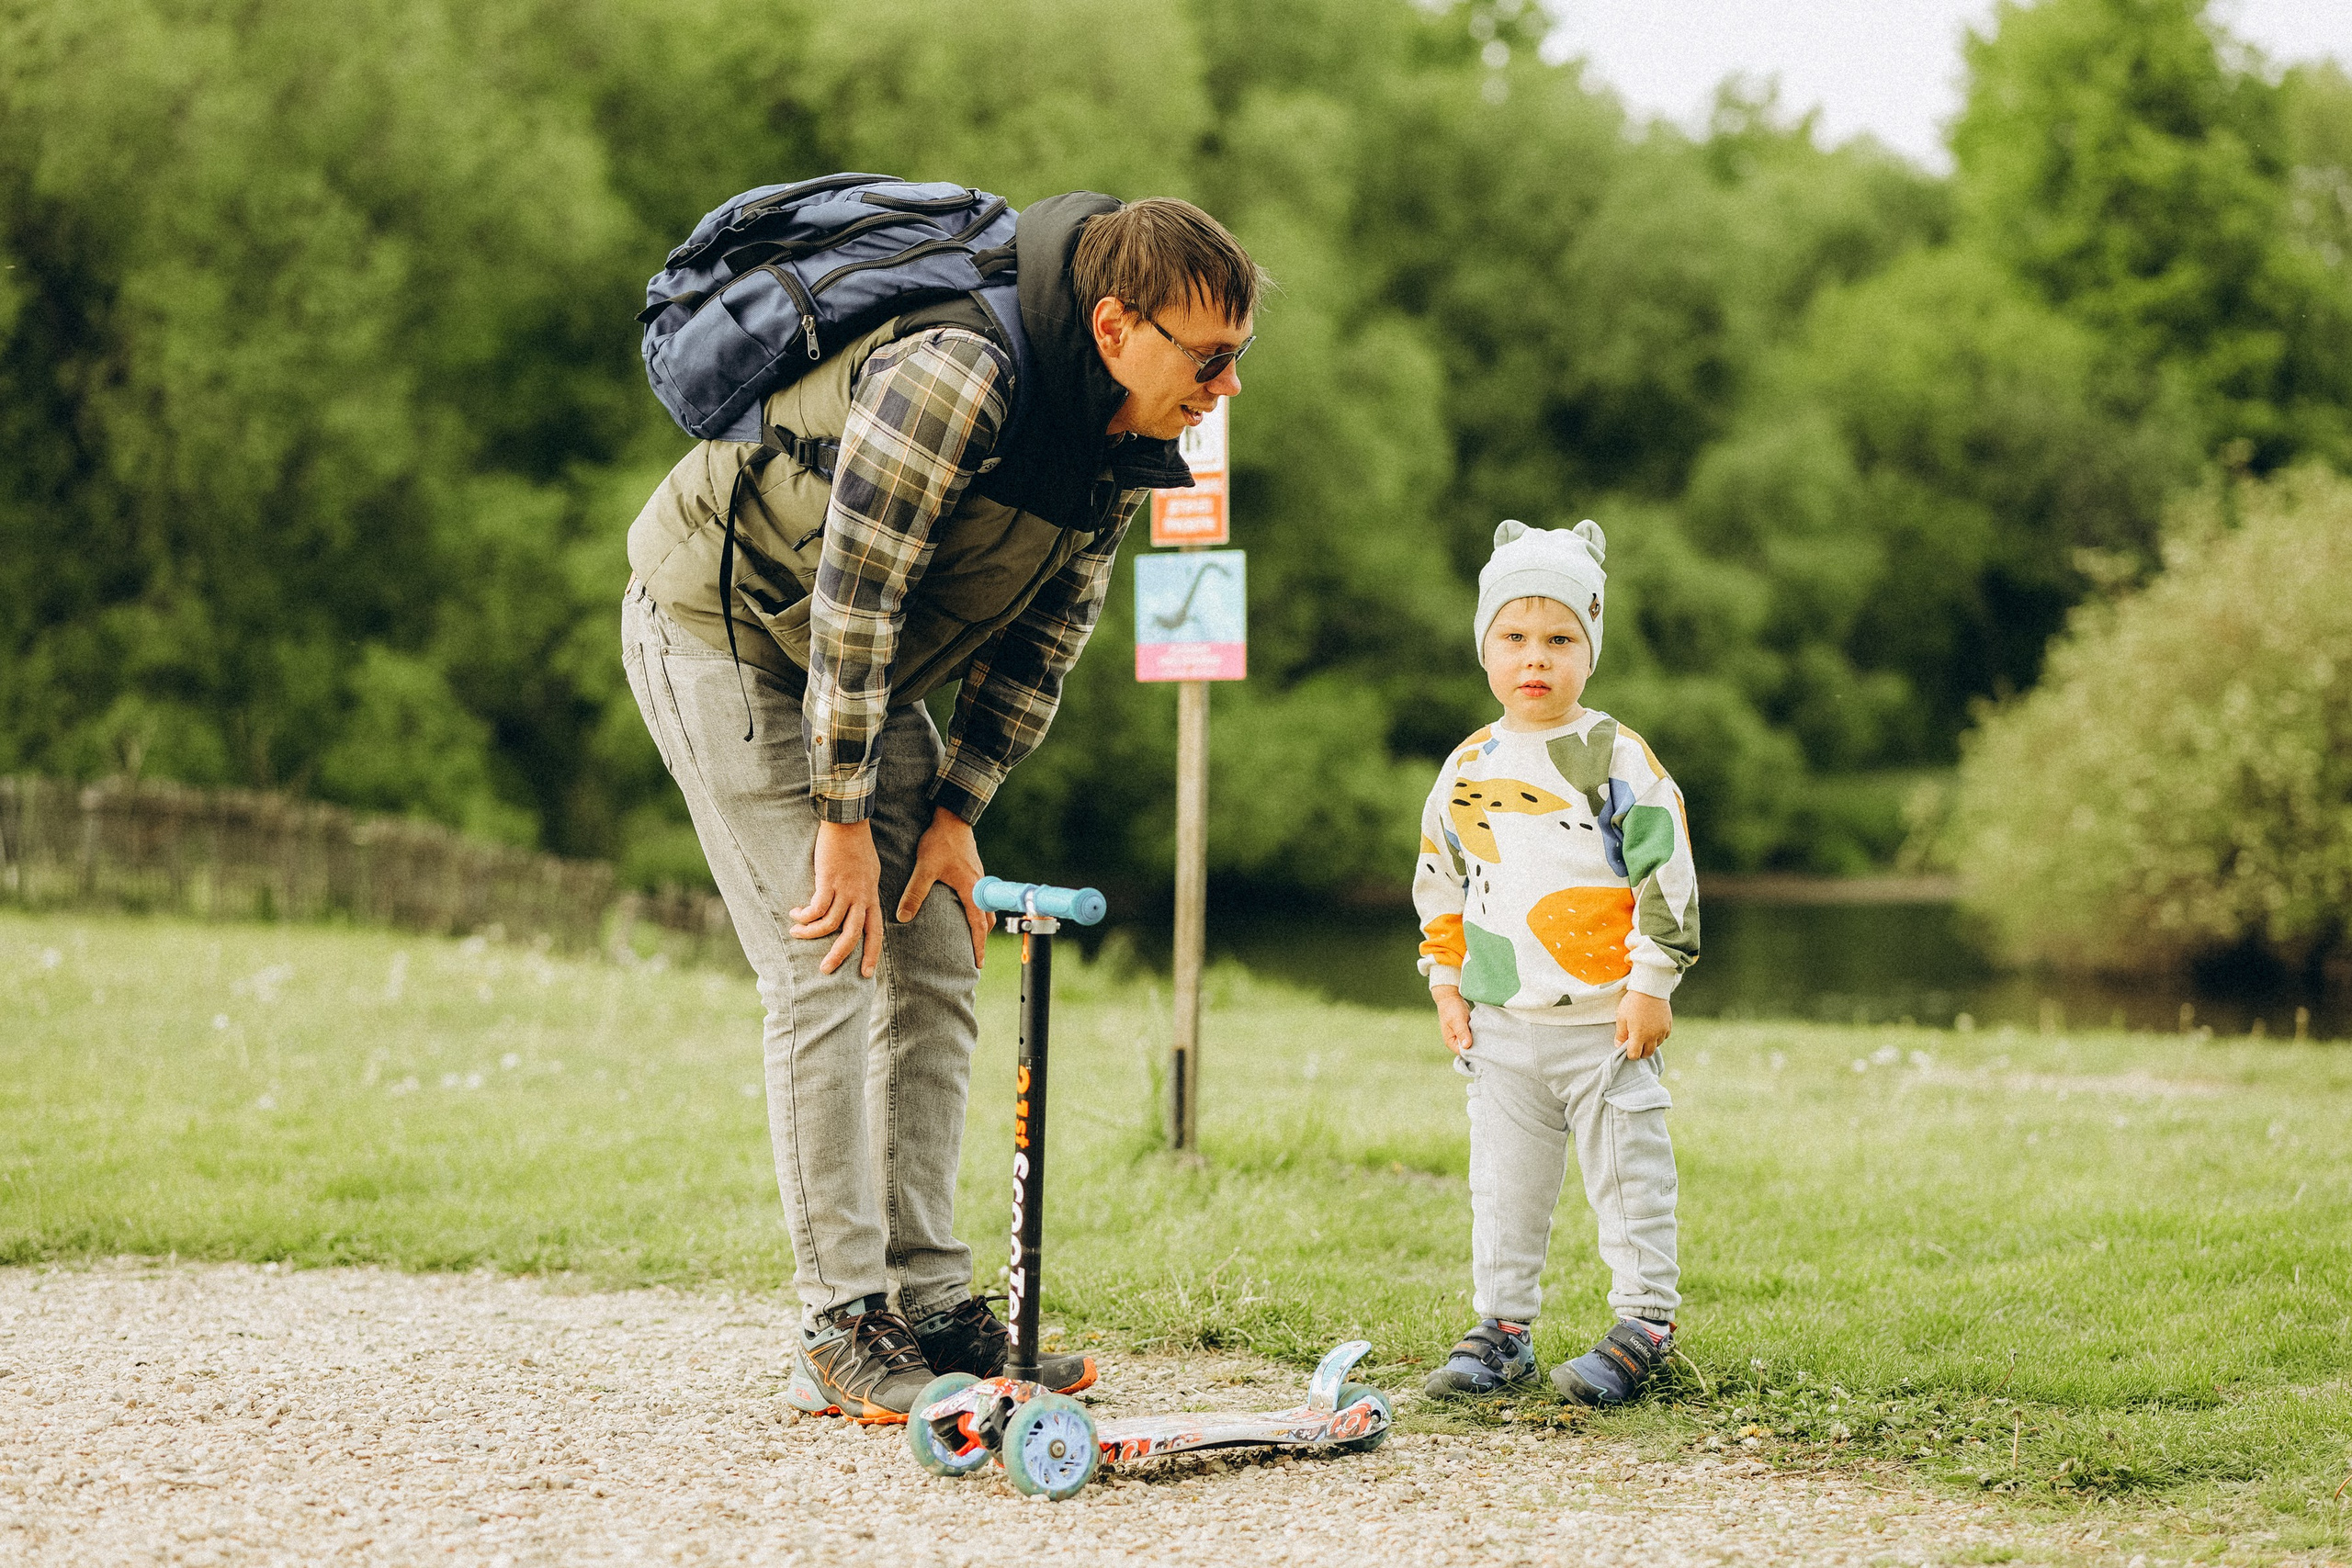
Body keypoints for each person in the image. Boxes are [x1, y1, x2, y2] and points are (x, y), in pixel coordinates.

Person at [620, 193, 1262, 1423]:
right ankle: (841, 1319)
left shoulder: (1119, 430)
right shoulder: (958, 374)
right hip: (727, 632)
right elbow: (854, 601)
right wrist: (846, 820)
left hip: (849, 672)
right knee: (826, 957)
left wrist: (959, 806)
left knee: (932, 946)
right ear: (1120, 323)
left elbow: (1046, 639)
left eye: (1239, 357)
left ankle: (928, 1301)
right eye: (1210, 355)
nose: (1226, 385)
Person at [1411, 519, 1702, 1407]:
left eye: (1560, 638)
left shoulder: (1616, 759)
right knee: (1502, 1187)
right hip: (1504, 1025)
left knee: (1629, 1175)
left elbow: (1667, 869)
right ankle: (1502, 1328)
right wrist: (1448, 979)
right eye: (1515, 637)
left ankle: (1645, 1323)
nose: (1535, 657)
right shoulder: (1469, 764)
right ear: (1486, 647)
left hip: (1605, 1021)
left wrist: (1652, 981)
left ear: (1591, 647)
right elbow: (1441, 878)